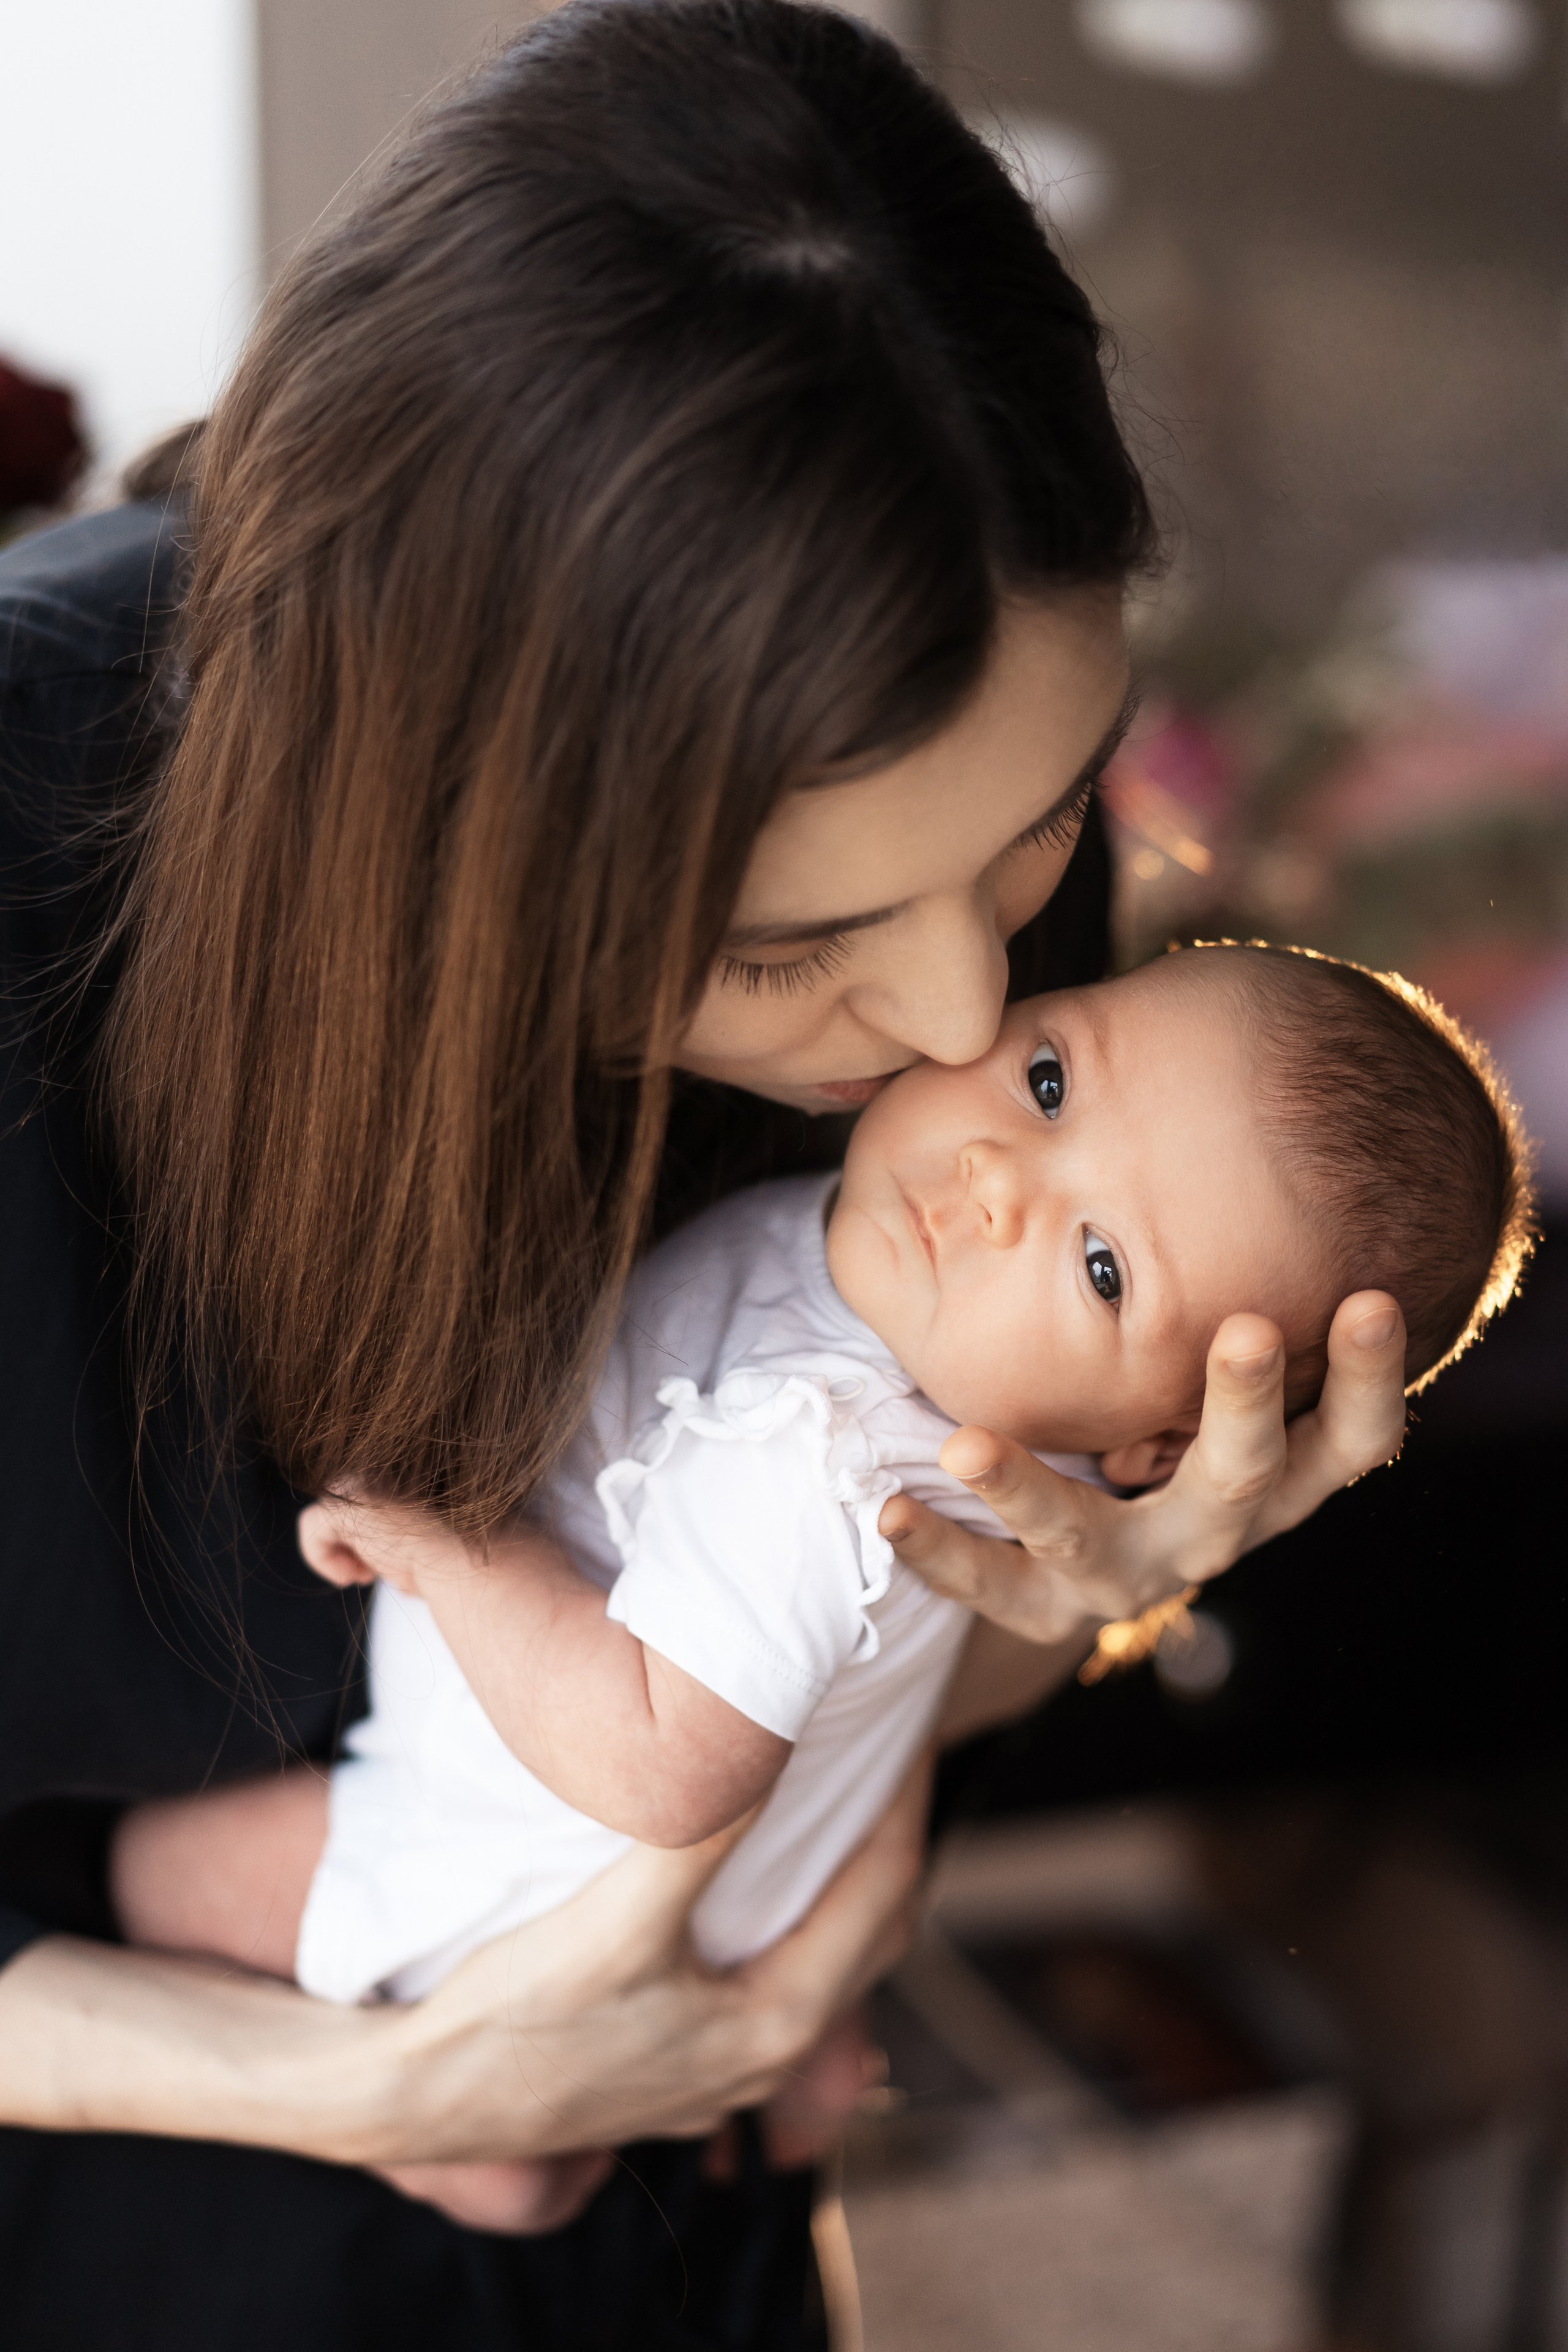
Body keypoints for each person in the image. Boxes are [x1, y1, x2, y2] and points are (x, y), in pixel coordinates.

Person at [0, 4, 1410, 2344]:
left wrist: (1064, 1591)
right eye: (787, 946)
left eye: (1043, 825)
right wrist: (379, 2086)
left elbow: (833, 1654)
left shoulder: (946, 879)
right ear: (431, 835)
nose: (960, 1017)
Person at [114, 940, 1517, 2231]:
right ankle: (759, 2061)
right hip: (772, 1881)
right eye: (1047, 1083)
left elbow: (658, 1763)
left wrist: (445, 1546)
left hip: (517, 1860)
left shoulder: (810, 1454)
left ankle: (491, 2151)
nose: (995, 1181)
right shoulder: (994, 1396)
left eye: (1100, 1267)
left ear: (1158, 1448)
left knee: (153, 1875)